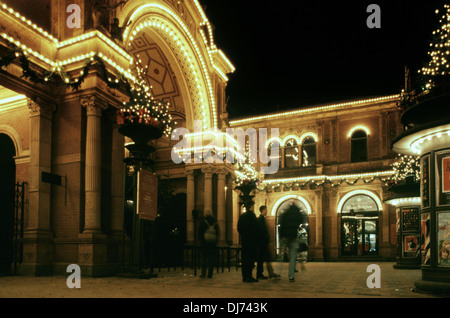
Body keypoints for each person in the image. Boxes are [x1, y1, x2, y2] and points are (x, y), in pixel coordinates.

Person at [278, 204, 303, 282]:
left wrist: (281, 236)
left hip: (284, 236)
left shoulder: (285, 214)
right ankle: (291, 276)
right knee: (293, 257)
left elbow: (281, 224)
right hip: (293, 236)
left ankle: (278, 272)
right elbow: (301, 220)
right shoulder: (297, 214)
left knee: (280, 254)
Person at [237, 203, 259, 282]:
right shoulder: (252, 216)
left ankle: (244, 276)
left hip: (244, 241)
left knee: (245, 259)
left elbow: (239, 228)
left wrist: (243, 234)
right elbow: (256, 228)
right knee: (250, 259)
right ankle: (249, 276)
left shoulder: (242, 216)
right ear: (251, 207)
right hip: (252, 241)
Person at [256, 206, 279, 279]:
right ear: (263, 210)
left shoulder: (262, 219)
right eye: (266, 209)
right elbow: (262, 231)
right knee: (262, 258)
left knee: (264, 258)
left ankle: (268, 273)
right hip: (262, 242)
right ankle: (260, 274)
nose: (267, 211)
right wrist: (265, 239)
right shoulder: (261, 219)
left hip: (263, 241)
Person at [198, 212, 219, 278]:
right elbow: (218, 233)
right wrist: (215, 241)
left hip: (205, 243)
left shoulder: (203, 222)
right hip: (212, 243)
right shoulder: (215, 223)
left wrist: (201, 241)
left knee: (204, 258)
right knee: (211, 259)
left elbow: (200, 232)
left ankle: (203, 273)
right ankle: (210, 274)